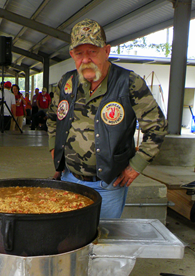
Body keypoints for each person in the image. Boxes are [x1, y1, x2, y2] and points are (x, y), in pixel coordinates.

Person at [47, 18, 167, 219]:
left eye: (92, 52)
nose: (85, 59)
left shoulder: (128, 82)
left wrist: (135, 167)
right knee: (69, 236)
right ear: (71, 55)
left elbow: (157, 127)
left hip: (108, 185)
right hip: (68, 179)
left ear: (107, 51)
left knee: (103, 240)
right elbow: (52, 118)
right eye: (79, 53)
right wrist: (54, 150)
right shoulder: (66, 82)